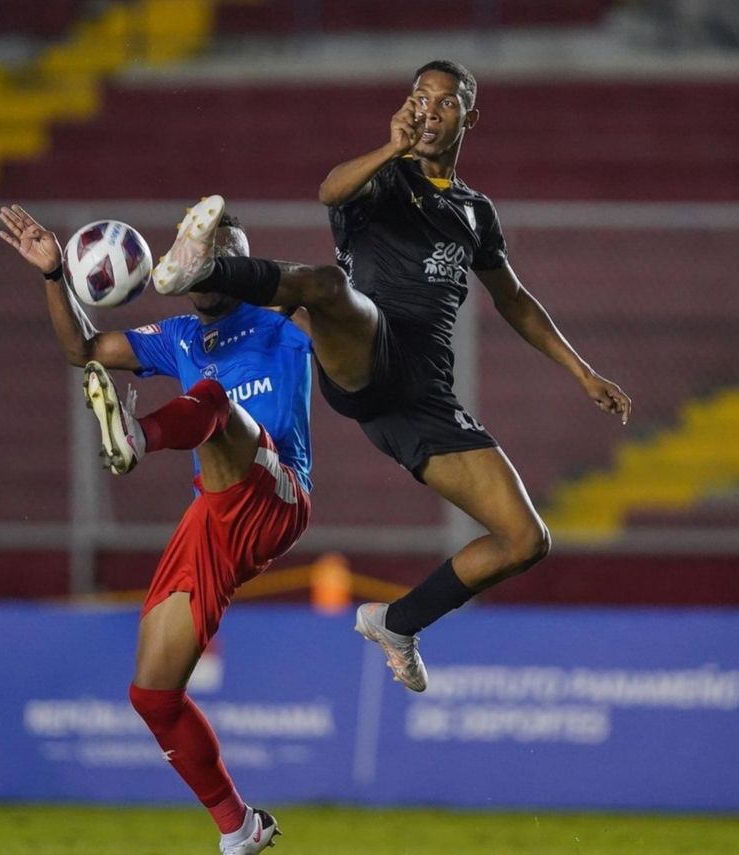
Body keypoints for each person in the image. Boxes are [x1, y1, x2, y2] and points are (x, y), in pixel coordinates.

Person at [149, 59, 632, 694]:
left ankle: (398, 624)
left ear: (469, 117)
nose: (430, 110)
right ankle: (200, 272)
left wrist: (583, 372)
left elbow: (513, 299)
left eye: (446, 102)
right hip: (365, 356)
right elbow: (329, 190)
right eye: (418, 98)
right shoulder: (381, 178)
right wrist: (388, 149)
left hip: (420, 397)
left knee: (525, 539)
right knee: (329, 285)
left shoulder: (475, 213)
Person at [0, 203, 312, 854]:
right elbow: (81, 349)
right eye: (189, 248)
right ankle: (239, 826)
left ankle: (138, 436)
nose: (196, 258)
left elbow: (320, 291)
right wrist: (56, 275)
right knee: (152, 695)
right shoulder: (178, 336)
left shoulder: (282, 316)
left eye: (211, 249)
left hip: (278, 491)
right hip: (214, 519)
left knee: (216, 402)